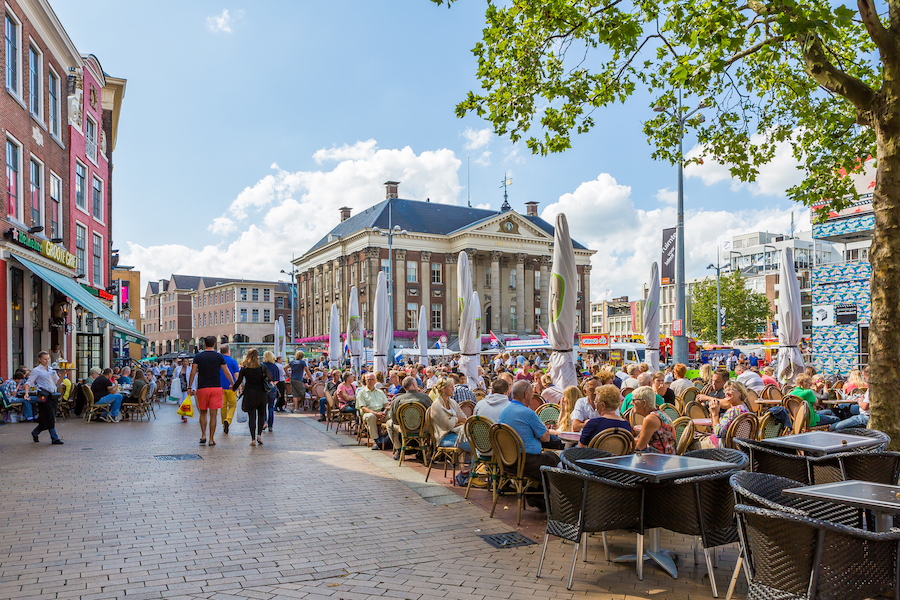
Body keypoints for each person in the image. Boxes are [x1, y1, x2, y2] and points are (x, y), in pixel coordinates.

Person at [497, 381, 558, 507]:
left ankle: (536, 493)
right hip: (526, 462)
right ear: (526, 394)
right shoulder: (528, 413)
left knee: (548, 458)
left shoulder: (504, 411)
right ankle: (546, 500)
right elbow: (546, 438)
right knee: (555, 460)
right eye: (531, 393)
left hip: (507, 462)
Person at [189, 337, 234, 446]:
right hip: (216, 387)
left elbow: (193, 372)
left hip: (202, 387)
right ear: (214, 344)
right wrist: (233, 383)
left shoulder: (198, 356)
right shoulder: (219, 357)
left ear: (204, 344)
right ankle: (211, 439)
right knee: (213, 414)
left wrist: (189, 386)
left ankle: (203, 435)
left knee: (203, 413)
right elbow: (226, 371)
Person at [231, 348, 270, 446]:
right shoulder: (262, 367)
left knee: (252, 417)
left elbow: (239, 381)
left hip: (249, 394)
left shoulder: (245, 368)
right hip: (261, 393)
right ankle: (259, 436)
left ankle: (253, 439)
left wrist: (233, 388)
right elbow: (271, 378)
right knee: (261, 415)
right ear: (257, 356)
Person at [387, 376, 433, 460]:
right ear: (414, 384)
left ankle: (398, 449)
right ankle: (429, 450)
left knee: (389, 424)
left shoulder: (398, 400)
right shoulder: (425, 398)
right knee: (433, 425)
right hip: (423, 429)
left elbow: (394, 419)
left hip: (404, 429)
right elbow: (432, 415)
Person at [696, 380, 751, 449]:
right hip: (739, 447)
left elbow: (718, 433)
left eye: (731, 390)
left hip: (724, 448)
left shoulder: (733, 411)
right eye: (725, 390)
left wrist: (715, 414)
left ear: (740, 392)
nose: (727, 393)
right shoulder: (744, 408)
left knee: (690, 445)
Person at [23, 351, 63, 445]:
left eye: (48, 359)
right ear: (40, 359)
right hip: (43, 395)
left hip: (53, 395)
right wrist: (26, 393)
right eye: (45, 359)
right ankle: (54, 438)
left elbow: (58, 383)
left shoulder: (52, 369)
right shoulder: (36, 370)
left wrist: (64, 374)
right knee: (50, 416)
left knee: (47, 418)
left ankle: (35, 432)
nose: (47, 361)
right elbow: (29, 382)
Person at [428, 377, 470, 453]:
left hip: (457, 433)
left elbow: (463, 416)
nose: (453, 389)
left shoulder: (452, 402)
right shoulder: (436, 405)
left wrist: (455, 421)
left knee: (476, 442)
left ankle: (476, 465)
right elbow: (447, 424)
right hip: (444, 437)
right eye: (451, 387)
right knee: (474, 445)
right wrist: (458, 420)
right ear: (443, 389)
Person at [632, 386, 676, 454]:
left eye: (634, 400)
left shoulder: (650, 419)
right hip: (667, 458)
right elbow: (639, 438)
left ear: (644, 403)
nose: (631, 403)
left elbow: (640, 447)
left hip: (661, 460)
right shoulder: (659, 413)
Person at [357, 372, 389, 449]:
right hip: (368, 413)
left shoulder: (380, 392)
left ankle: (391, 438)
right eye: (369, 380)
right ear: (365, 380)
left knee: (392, 415)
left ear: (375, 381)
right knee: (371, 417)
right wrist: (375, 413)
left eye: (372, 379)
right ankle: (375, 440)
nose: (371, 381)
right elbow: (363, 408)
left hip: (381, 412)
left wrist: (384, 411)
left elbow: (386, 404)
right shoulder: (361, 393)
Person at [219, 344, 240, 434]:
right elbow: (236, 375)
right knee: (232, 405)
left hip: (220, 387)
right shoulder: (233, 361)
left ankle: (224, 424)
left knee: (223, 407)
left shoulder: (218, 361)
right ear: (228, 351)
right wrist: (238, 386)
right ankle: (228, 420)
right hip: (231, 387)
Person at [260, 351, 282, 432]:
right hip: (272, 388)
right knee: (271, 407)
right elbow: (277, 380)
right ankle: (270, 426)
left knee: (263, 406)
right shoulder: (275, 367)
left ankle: (264, 422)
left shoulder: (261, 365)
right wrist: (272, 384)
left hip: (263, 388)